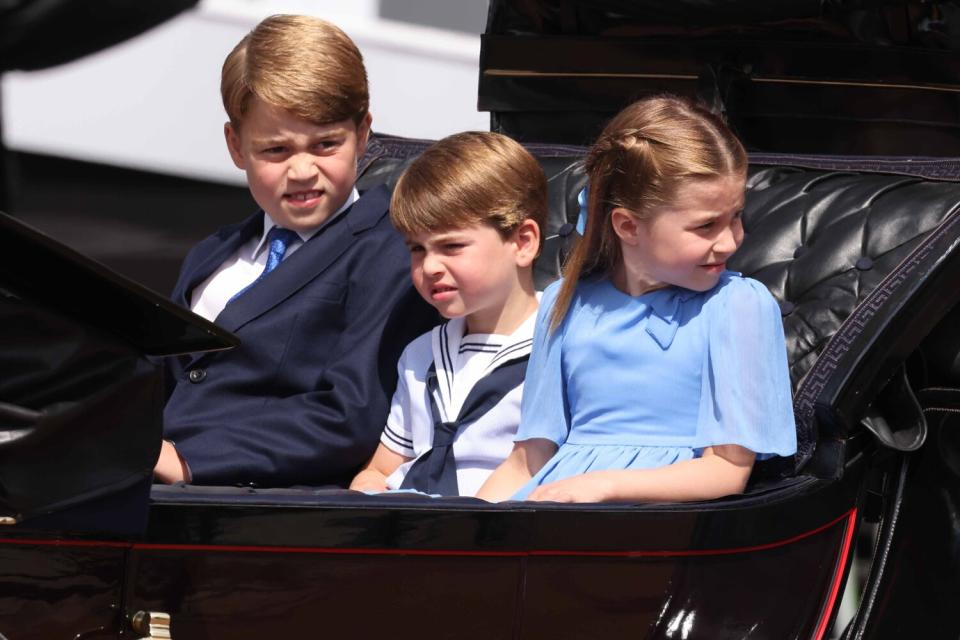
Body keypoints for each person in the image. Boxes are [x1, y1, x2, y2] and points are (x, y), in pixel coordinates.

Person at [155, 15, 436, 487]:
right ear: (236, 145)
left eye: (326, 144)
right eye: (277, 151)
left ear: (363, 134)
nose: (303, 169)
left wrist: (188, 461)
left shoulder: (393, 248)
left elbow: (353, 412)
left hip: (263, 507)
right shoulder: (213, 253)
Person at [476, 95, 797, 503]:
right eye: (706, 226)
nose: (732, 239)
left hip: (659, 526)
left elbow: (728, 469)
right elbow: (528, 460)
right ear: (629, 225)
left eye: (735, 216)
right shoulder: (565, 302)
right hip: (556, 513)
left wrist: (603, 486)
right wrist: (471, 524)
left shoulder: (738, 305)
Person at [349, 132, 546, 497]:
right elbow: (381, 467)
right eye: (417, 249)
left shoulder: (559, 350)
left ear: (523, 242)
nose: (431, 266)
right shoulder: (419, 355)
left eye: (451, 246)